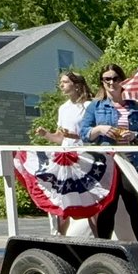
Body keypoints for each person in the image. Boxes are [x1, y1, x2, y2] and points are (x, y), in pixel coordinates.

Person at [80, 64, 138, 241]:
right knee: (106, 208)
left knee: (136, 208)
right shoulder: (95, 107)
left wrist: (134, 135)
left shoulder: (136, 107)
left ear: (122, 81)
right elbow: (84, 134)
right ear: (102, 82)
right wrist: (100, 129)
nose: (111, 82)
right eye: (107, 79)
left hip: (132, 164)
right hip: (107, 165)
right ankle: (104, 248)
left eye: (115, 78)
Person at [34, 71, 91, 234]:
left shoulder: (88, 106)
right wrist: (46, 134)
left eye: (65, 82)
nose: (61, 85)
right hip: (65, 160)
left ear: (77, 85)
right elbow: (60, 138)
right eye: (61, 82)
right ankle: (61, 237)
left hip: (84, 158)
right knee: (63, 199)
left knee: (88, 201)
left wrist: (74, 135)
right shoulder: (63, 108)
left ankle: (98, 238)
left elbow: (92, 134)